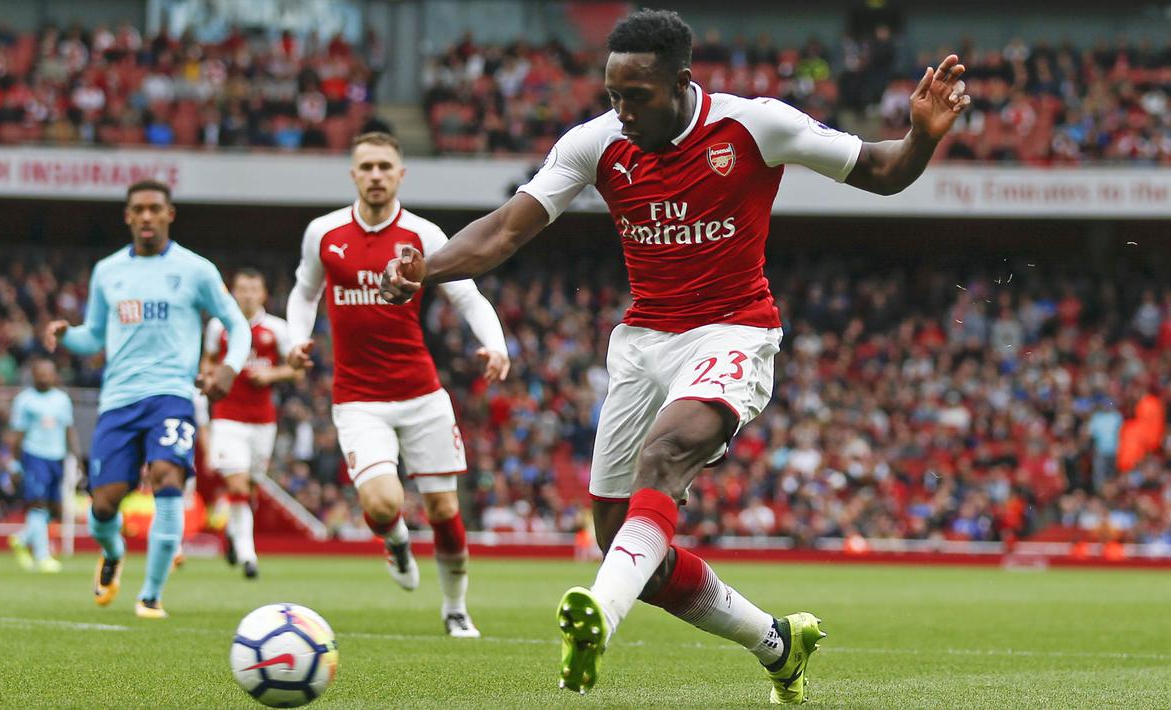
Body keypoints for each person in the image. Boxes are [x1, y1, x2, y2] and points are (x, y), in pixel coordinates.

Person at [380, 9, 970, 702]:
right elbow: (505, 230)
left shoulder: (756, 125)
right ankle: (775, 643)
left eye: (637, 96)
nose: (623, 111)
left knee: (664, 458)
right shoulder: (596, 144)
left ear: (681, 84)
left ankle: (598, 614)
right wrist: (427, 268)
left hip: (733, 333)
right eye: (613, 96)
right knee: (624, 544)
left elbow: (879, 170)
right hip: (641, 345)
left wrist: (920, 140)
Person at [286, 131, 510, 639]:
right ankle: (396, 541)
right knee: (383, 505)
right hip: (357, 398)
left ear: (400, 174)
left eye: (385, 166)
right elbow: (304, 293)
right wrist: (296, 339)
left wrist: (496, 345)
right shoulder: (324, 233)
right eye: (366, 167)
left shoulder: (423, 236)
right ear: (353, 174)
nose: (376, 175)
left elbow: (468, 296)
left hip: (421, 394)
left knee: (445, 509)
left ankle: (455, 607)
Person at [45, 179, 250, 619]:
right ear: (127, 216)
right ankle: (113, 552)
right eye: (138, 209)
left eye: (155, 208)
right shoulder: (108, 271)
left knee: (168, 480)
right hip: (118, 400)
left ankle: (151, 595)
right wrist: (69, 337)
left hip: (173, 395)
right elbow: (95, 335)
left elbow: (238, 322)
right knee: (102, 504)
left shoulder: (196, 270)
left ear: (169, 215)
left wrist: (229, 369)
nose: (146, 216)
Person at [202, 267, 297, 578]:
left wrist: (272, 374)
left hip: (263, 422)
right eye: (242, 289)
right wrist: (209, 377)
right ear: (232, 292)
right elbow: (209, 361)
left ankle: (233, 535)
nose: (247, 295)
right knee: (238, 485)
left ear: (263, 294)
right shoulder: (220, 326)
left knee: (251, 487)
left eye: (253, 289)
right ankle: (247, 554)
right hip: (228, 418)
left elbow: (296, 370)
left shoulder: (277, 329)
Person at [5, 358, 78, 573]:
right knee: (38, 503)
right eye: (41, 372)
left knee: (55, 508)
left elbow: (68, 429)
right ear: (33, 374)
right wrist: (14, 464)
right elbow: (17, 435)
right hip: (34, 455)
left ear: (55, 374)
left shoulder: (62, 399)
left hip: (57, 457)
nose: (45, 376)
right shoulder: (25, 400)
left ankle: (22, 538)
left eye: (49, 372)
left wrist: (75, 457)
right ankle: (43, 556)